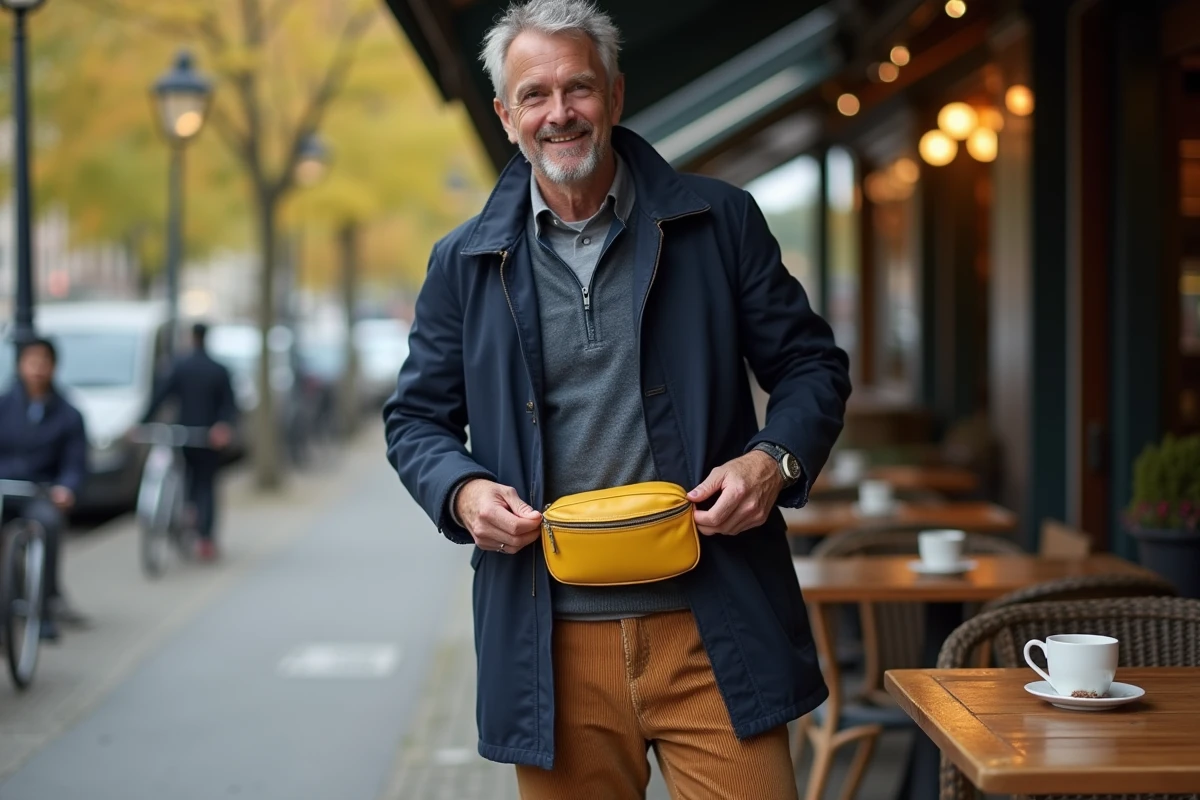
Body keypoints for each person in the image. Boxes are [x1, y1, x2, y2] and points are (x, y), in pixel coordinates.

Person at [383, 1, 851, 796]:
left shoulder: (721, 221)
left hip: (715, 625)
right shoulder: (461, 262)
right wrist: (461, 492)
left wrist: (773, 461)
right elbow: (414, 420)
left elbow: (812, 366)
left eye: (578, 88)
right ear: (505, 115)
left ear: (617, 94)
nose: (559, 113)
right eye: (534, 95)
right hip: (549, 644)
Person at [0, 338, 88, 642]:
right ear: (20, 366)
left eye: (43, 362)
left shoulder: (68, 414)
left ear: (53, 367)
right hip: (3, 489)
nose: (37, 369)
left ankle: (45, 608)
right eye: (30, 362)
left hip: (40, 492)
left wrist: (66, 487)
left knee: (48, 525)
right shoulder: (3, 405)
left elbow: (76, 462)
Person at [140, 323, 237, 562]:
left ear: (190, 338)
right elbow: (229, 405)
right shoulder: (219, 369)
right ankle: (205, 537)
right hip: (209, 437)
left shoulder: (179, 367)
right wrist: (223, 426)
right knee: (206, 485)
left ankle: (188, 514)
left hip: (183, 435)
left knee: (188, 478)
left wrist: (141, 422)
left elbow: (160, 397)